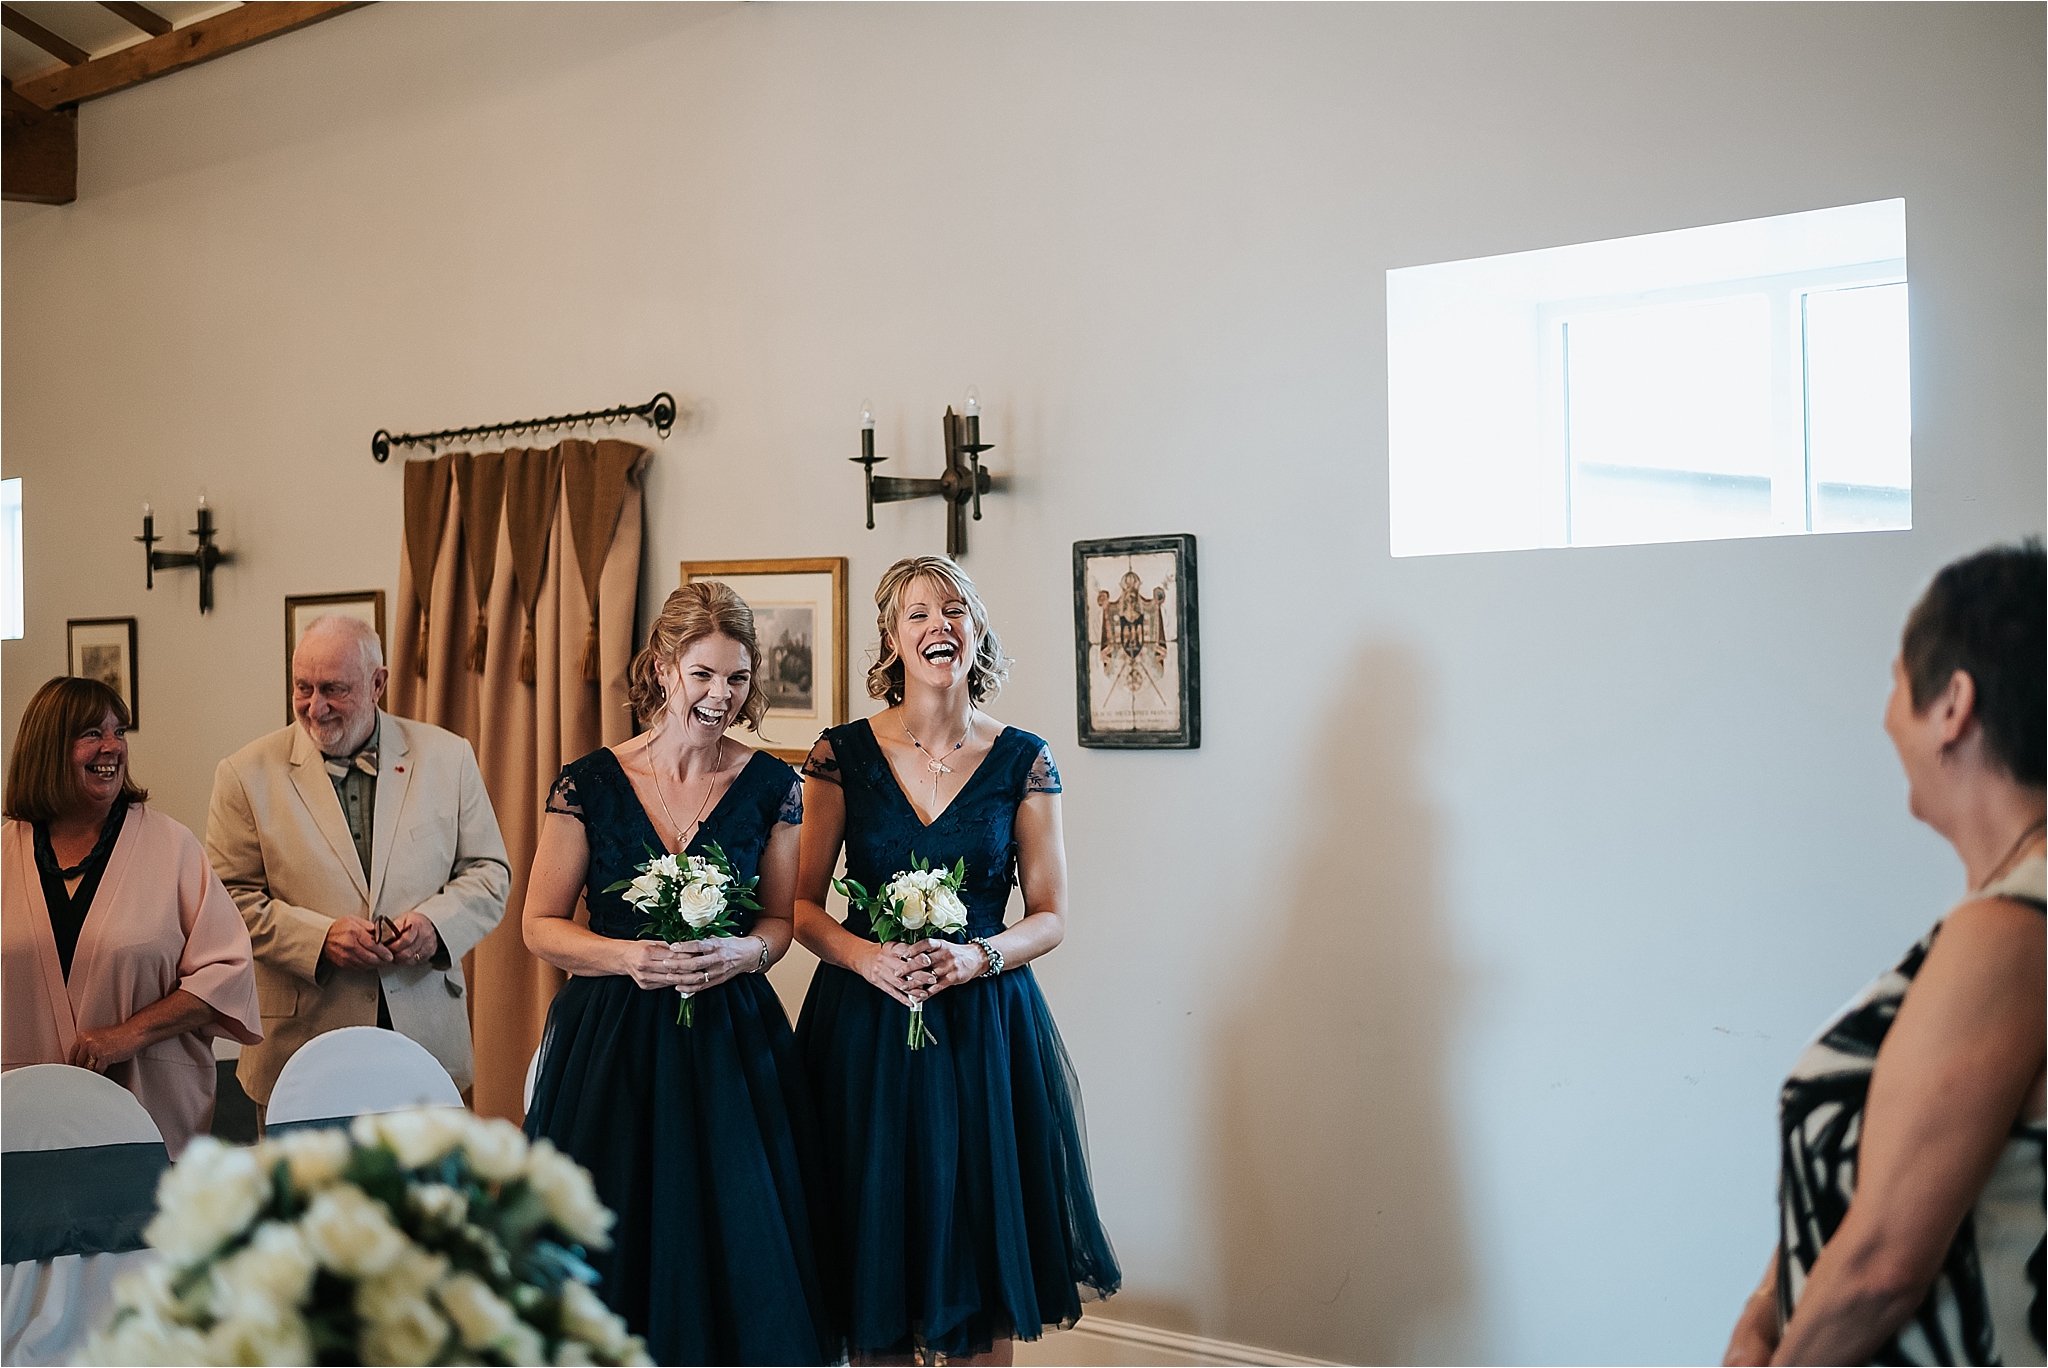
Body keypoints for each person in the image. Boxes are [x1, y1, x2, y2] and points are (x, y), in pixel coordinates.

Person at [1724, 540, 2045, 1367]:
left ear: (1953, 706)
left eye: (1898, 682)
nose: (1884, 715)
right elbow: (1890, 1172)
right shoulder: (2005, 913)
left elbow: (1883, 1269)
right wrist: (1767, 1305)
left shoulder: (2011, 933)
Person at [795, 555, 1121, 1365]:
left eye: (954, 611)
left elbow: (1050, 916)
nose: (938, 625)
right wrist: (867, 959)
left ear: (975, 633)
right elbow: (799, 907)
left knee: (980, 1272)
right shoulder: (839, 757)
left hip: (984, 1035)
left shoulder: (1024, 760)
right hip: (863, 1036)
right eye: (917, 614)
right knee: (872, 1273)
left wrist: (978, 956)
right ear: (891, 639)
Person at [522, 581, 838, 1366]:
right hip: (609, 1046)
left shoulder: (773, 787)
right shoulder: (587, 783)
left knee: (736, 1233)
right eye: (703, 675)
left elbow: (782, 919)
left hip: (731, 1042)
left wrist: (746, 953)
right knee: (611, 1237)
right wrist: (628, 956)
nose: (721, 697)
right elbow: (540, 925)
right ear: (662, 670)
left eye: (737, 678)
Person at [205, 613, 509, 1123]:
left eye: (334, 690)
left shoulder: (449, 757)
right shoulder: (244, 773)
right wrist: (319, 939)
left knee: (428, 1200)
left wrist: (436, 925)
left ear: (378, 683)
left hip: (423, 1036)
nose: (314, 706)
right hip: (300, 1049)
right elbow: (227, 899)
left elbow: (489, 871)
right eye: (303, 687)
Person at [1, 677, 260, 1155]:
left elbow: (229, 973)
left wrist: (129, 1035)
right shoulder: (3, 854)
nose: (112, 748)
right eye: (92, 733)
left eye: (119, 732)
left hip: (149, 1115)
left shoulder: (173, 848)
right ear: (47, 747)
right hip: (20, 1128)